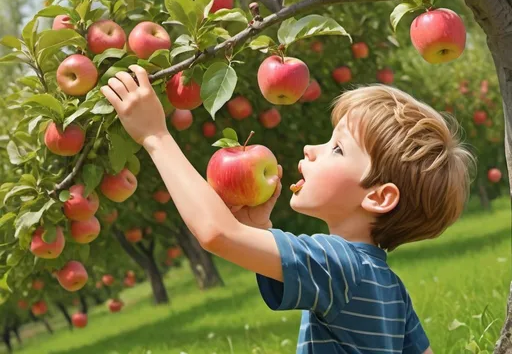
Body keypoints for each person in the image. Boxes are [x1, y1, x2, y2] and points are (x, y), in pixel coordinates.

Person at [101, 64, 474, 353]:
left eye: (338, 148)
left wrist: (155, 136)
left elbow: (216, 234)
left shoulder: (337, 264)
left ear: (377, 197)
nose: (313, 149)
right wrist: (258, 229)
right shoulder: (388, 287)